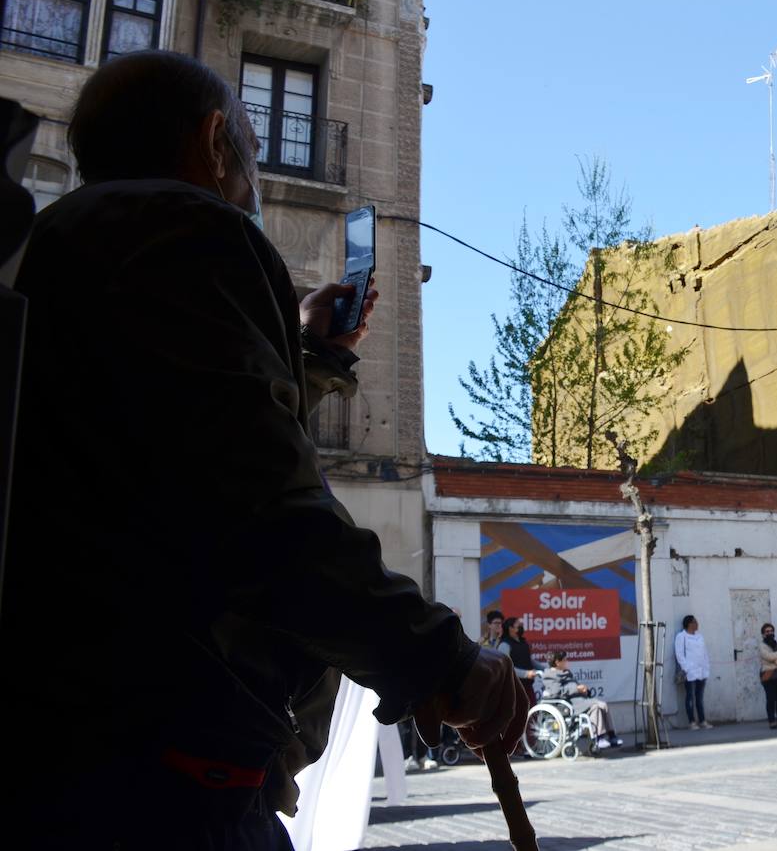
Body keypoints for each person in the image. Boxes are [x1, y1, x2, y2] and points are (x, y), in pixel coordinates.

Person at [2, 51, 527, 848]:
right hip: (159, 785)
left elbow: (176, 440)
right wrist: (446, 663)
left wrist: (309, 355)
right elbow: (258, 510)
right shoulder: (182, 229)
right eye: (249, 155)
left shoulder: (68, 243)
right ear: (217, 142)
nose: (248, 188)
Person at [540, 652, 623, 751]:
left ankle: (611, 736)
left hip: (580, 700)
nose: (567, 662)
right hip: (569, 704)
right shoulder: (550, 676)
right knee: (596, 706)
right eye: (565, 660)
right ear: (557, 662)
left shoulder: (566, 672)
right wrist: (577, 689)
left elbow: (574, 686)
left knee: (602, 706)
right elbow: (557, 692)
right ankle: (599, 738)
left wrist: (584, 690)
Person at [675, 614, 712, 729]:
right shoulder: (681, 636)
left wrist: (706, 666)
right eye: (695, 622)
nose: (697, 624)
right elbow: (679, 654)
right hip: (690, 672)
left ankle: (702, 720)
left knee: (699, 697)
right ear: (690, 624)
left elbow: (704, 653)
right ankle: (692, 722)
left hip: (701, 671)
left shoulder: (699, 636)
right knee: (690, 696)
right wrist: (687, 668)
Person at [498, 616, 540, 705]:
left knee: (532, 712)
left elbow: (529, 660)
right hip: (513, 688)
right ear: (511, 628)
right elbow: (507, 668)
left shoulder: (523, 643)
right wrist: (526, 674)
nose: (521, 626)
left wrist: (548, 668)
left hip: (527, 686)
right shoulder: (504, 645)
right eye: (518, 625)